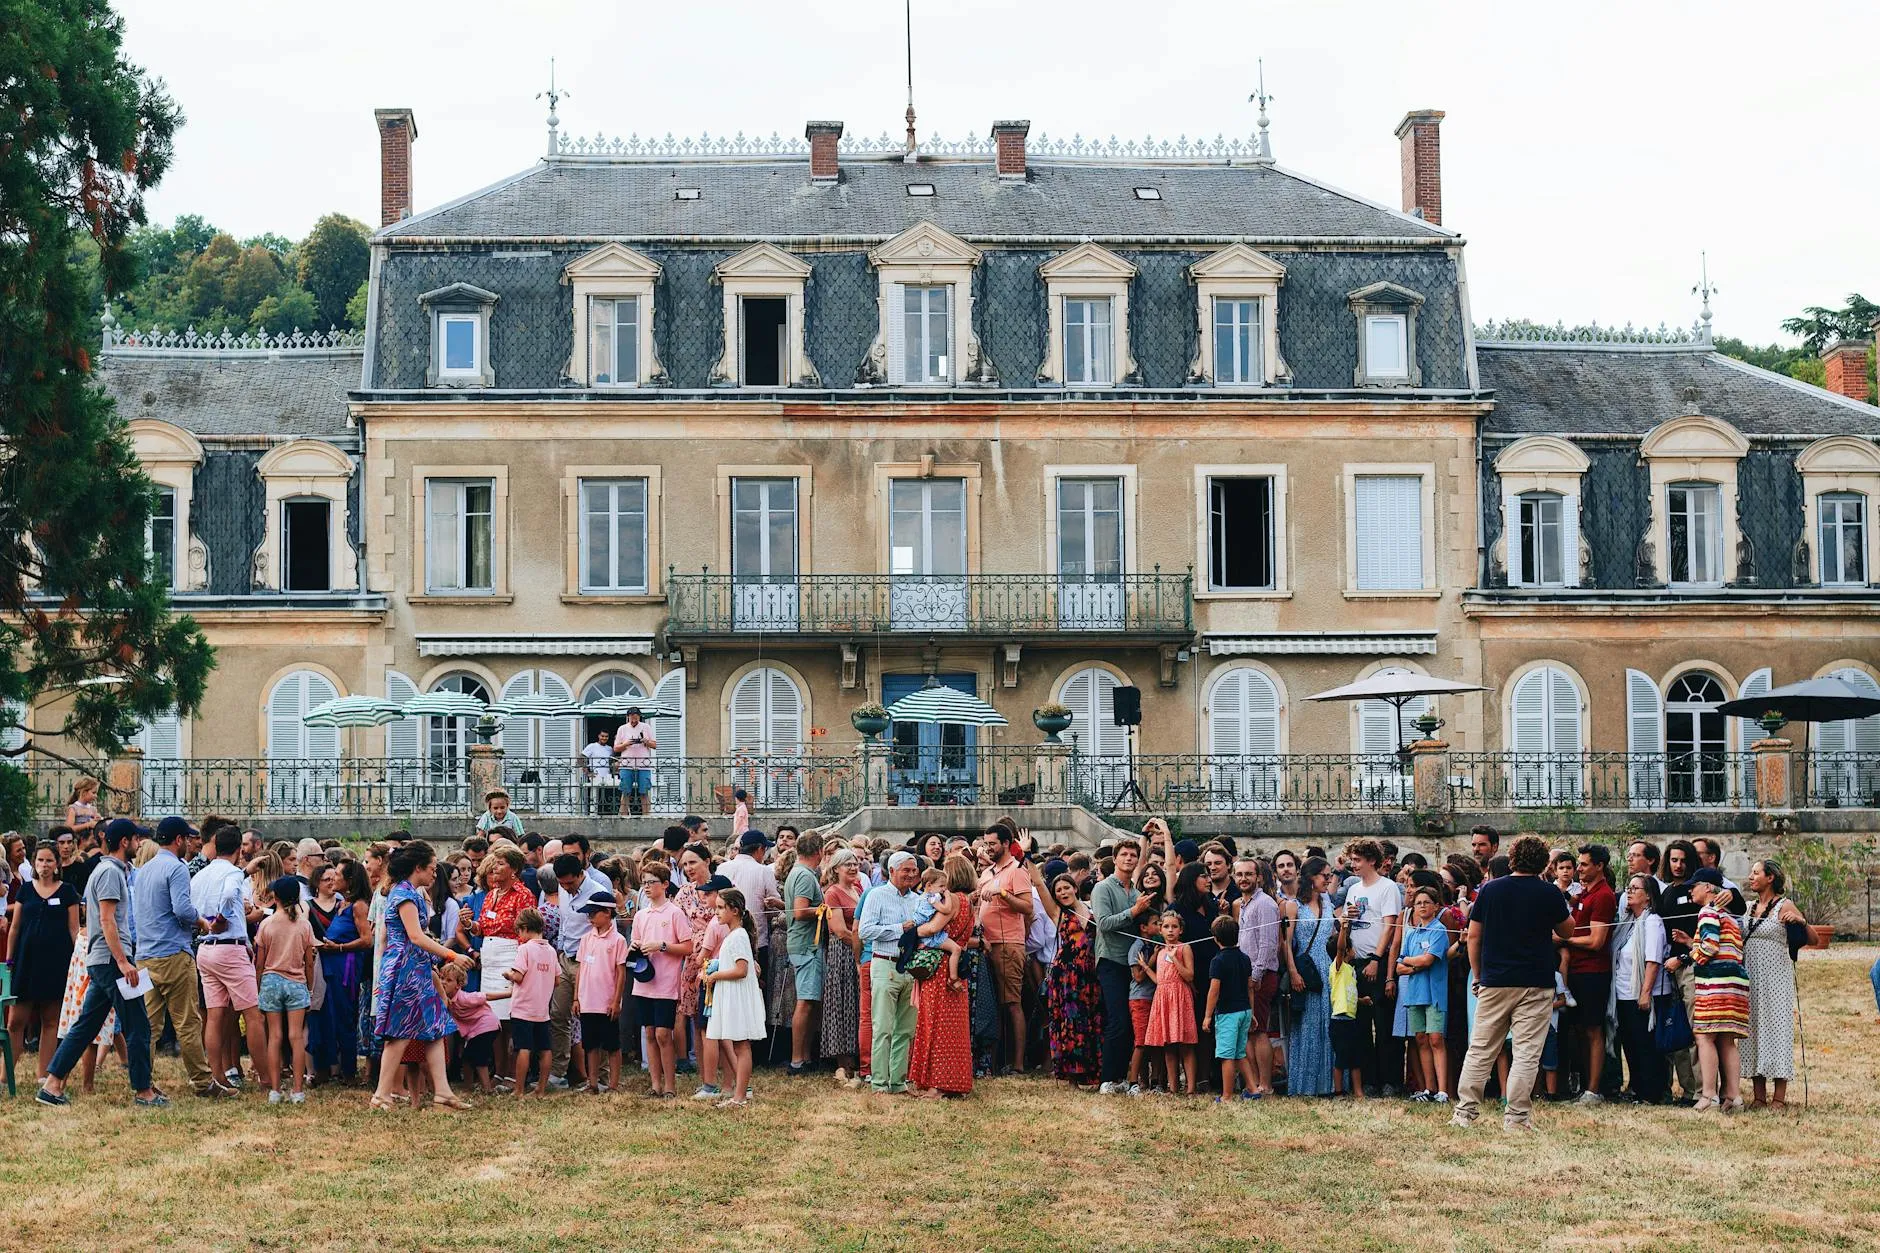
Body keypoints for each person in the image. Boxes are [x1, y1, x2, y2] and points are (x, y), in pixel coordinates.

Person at [1450, 834, 1575, 1132]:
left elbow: (1474, 936)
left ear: (1513, 859)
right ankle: (1517, 1118)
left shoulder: (1491, 890)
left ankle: (1464, 1112)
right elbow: (1567, 931)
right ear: (1544, 863)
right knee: (1527, 1052)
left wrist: (1478, 975)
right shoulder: (1549, 892)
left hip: (1495, 980)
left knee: (1481, 1048)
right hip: (1536, 981)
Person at [38, 819, 162, 1107]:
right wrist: (123, 962)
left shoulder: (109, 870)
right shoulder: (110, 873)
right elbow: (107, 920)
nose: (139, 844)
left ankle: (52, 1085)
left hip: (104, 960)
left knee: (86, 1026)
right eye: (136, 839)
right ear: (124, 842)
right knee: (138, 1025)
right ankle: (144, 1092)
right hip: (111, 961)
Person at [370, 842, 476, 1112]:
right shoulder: (404, 894)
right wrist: (451, 955)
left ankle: (443, 1092)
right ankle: (381, 1095)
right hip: (405, 970)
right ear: (417, 868)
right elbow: (415, 936)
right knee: (400, 1033)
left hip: (416, 968)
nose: (435, 874)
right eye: (432, 868)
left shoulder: (411, 893)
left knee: (435, 1028)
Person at [130, 814, 213, 1098]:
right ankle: (202, 1082)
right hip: (174, 954)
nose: (190, 843)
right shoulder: (177, 868)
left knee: (149, 1026)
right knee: (187, 1022)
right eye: (188, 839)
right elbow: (182, 909)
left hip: (145, 956)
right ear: (179, 840)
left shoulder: (143, 870)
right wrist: (201, 921)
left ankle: (143, 1081)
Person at [1673, 867, 1748, 1113]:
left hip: (1714, 983)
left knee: (1704, 1036)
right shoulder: (1728, 916)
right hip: (1734, 984)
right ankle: (1734, 1097)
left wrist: (1687, 957)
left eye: (1694, 886)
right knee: (1727, 1040)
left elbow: (1710, 947)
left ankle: (1708, 1096)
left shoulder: (1707, 911)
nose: (1690, 891)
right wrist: (1692, 943)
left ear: (1707, 887)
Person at [6, 842, 78, 1082]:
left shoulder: (67, 892)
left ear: (56, 864)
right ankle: (5, 1076)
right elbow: (15, 928)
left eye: (48, 860)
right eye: (40, 860)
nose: (44, 865)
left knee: (50, 1020)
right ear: (34, 863)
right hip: (26, 962)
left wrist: (78, 961)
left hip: (56, 963)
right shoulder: (26, 890)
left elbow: (73, 929)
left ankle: (44, 1075)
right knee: (15, 1022)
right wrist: (9, 959)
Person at [908, 854, 979, 1098]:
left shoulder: (952, 899)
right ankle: (955, 1082)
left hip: (939, 967)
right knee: (955, 1029)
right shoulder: (969, 902)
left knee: (935, 1024)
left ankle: (936, 1085)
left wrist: (910, 931)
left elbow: (932, 928)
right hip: (956, 967)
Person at [1739, 859, 1804, 1110]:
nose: (1751, 876)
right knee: (1752, 1029)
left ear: (1770, 878)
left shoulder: (1784, 905)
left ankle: (1778, 1097)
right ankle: (1758, 1096)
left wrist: (1799, 921)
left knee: (1776, 1030)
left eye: (1756, 872)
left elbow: (1812, 938)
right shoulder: (1747, 907)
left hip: (1776, 977)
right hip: (1751, 976)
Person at [1340, 839, 1401, 1095]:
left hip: (1378, 960)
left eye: (1357, 860)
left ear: (1371, 860)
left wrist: (1376, 959)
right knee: (1362, 1025)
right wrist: (1346, 920)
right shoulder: (1354, 889)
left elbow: (1390, 926)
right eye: (1352, 860)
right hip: (1356, 962)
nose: (1353, 864)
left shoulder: (1388, 887)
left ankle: (1390, 1080)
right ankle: (1368, 1079)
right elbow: (1346, 922)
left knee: (1384, 1024)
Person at [858, 851, 922, 1094]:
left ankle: (897, 1081)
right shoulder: (877, 895)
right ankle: (879, 1083)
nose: (911, 874)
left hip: (910, 967)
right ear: (892, 871)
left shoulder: (917, 900)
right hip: (885, 964)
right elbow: (865, 931)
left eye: (914, 870)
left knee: (905, 1029)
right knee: (882, 1027)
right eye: (906, 870)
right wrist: (899, 929)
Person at [549, 850, 613, 1086]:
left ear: (580, 874)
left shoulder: (597, 891)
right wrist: (560, 949)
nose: (566, 888)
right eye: (561, 884)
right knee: (558, 1014)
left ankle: (601, 1076)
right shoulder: (563, 891)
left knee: (593, 1018)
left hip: (590, 962)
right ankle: (558, 1072)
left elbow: (608, 929)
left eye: (569, 883)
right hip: (566, 958)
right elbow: (564, 922)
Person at [629, 862, 693, 1098]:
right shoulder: (641, 915)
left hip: (666, 982)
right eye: (644, 883)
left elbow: (687, 947)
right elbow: (635, 942)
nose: (646, 887)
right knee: (649, 1032)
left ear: (665, 884)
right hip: (644, 981)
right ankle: (655, 1084)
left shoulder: (674, 913)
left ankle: (670, 1085)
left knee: (663, 1034)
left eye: (651, 882)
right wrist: (635, 947)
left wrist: (662, 946)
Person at [1561, 843, 1616, 1103]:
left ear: (1599, 866)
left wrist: (1564, 939)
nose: (1579, 869)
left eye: (1584, 864)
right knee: (1581, 1029)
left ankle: (1594, 1089)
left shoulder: (1603, 896)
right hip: (1577, 969)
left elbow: (1596, 940)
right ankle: (1585, 1086)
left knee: (1593, 1029)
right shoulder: (1584, 893)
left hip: (1593, 972)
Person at [975, 826, 1034, 1074]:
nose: (988, 848)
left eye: (992, 844)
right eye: (986, 844)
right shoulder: (986, 872)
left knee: (1011, 1002)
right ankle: (993, 1062)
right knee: (992, 1004)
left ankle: (1018, 1063)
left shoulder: (1017, 870)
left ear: (1006, 843)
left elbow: (1028, 907)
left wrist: (1002, 893)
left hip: (1007, 943)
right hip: (985, 943)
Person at [253, 875, 316, 1103]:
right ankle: (297, 1090)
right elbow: (309, 962)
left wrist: (258, 986)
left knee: (275, 1036)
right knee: (296, 1036)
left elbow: (259, 963)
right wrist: (309, 988)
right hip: (296, 981)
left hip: (271, 980)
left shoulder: (267, 924)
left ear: (275, 897)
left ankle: (275, 1090)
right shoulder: (304, 925)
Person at [1091, 837, 1146, 1094]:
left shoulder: (1136, 893)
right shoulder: (1102, 888)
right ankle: (1108, 1078)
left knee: (1130, 1022)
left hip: (1133, 963)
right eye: (1124, 854)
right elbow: (1103, 923)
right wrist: (1134, 912)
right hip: (1111, 960)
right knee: (1118, 1019)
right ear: (1115, 859)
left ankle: (1123, 1077)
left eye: (1133, 855)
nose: (1128, 859)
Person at [703, 888, 765, 1108]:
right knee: (739, 1045)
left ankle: (740, 1096)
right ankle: (739, 1094)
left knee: (741, 1046)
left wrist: (715, 975)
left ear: (735, 910)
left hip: (737, 996)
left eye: (721, 908)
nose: (716, 912)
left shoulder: (738, 936)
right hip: (732, 994)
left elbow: (741, 970)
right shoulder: (734, 935)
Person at [1612, 874, 1670, 1105]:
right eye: (1628, 887)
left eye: (1635, 888)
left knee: (1645, 1046)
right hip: (1624, 992)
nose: (1629, 891)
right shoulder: (1629, 923)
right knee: (1631, 1044)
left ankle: (1651, 1093)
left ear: (1648, 896)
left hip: (1643, 994)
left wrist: (1645, 993)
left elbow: (1653, 960)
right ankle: (1637, 1089)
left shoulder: (1652, 921)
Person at [1282, 856, 1336, 1097]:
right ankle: (1305, 1084)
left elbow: (1332, 935)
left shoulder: (1328, 902)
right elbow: (1286, 942)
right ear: (1311, 877)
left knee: (1329, 1024)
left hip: (1328, 967)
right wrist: (1293, 972)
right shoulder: (1293, 906)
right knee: (1307, 1025)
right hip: (1306, 968)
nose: (1329, 880)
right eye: (1325, 875)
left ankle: (1329, 1083)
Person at [313, 861, 370, 1086]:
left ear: (350, 880)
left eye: (337, 874)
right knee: (326, 1015)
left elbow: (366, 940)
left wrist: (339, 947)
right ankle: (325, 1068)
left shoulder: (358, 906)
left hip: (345, 966)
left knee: (344, 1016)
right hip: (329, 963)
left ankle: (348, 1071)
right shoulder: (340, 904)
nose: (333, 878)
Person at [1040, 871, 1099, 1088]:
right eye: (1058, 890)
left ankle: (1091, 1074)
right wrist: (1025, 857)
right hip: (1066, 975)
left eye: (1066, 887)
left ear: (1075, 888)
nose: (1063, 892)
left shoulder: (1091, 908)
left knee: (1090, 1019)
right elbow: (1039, 884)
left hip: (1089, 973)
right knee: (1069, 1022)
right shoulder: (1058, 913)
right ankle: (1072, 1077)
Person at [1396, 885, 1450, 1104]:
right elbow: (1399, 968)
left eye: (1427, 902)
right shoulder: (1411, 933)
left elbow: (1428, 960)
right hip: (1414, 994)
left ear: (1436, 906)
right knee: (1420, 1039)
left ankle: (1443, 1091)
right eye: (1418, 903)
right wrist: (1414, 964)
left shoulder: (1439, 930)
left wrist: (1409, 961)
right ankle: (1429, 1088)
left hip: (1434, 993)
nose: (1422, 906)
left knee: (1436, 1039)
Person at [574, 889, 629, 1095]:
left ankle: (613, 1085)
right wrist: (576, 998)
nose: (589, 918)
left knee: (612, 1045)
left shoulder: (618, 940)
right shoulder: (586, 939)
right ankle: (593, 1083)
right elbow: (580, 969)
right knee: (590, 1045)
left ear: (607, 913)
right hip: (587, 1001)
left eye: (593, 913)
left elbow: (621, 973)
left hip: (606, 1002)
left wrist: (616, 1001)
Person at [1234, 857, 1280, 1096]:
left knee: (1259, 1029)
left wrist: (1257, 974)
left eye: (1248, 874)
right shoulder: (1244, 904)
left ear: (1259, 877)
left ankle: (1266, 1085)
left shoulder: (1265, 904)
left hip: (1261, 975)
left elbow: (1268, 943)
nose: (1243, 879)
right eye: (1239, 874)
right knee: (1249, 1030)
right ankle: (1253, 1085)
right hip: (1247, 975)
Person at [818, 849, 864, 1080]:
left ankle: (858, 1056)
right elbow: (838, 930)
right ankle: (842, 1061)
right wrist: (862, 945)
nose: (853, 867)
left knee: (857, 1004)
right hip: (843, 953)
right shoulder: (832, 893)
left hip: (859, 949)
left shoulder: (859, 890)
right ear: (836, 868)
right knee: (842, 1002)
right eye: (847, 864)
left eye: (855, 863)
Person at [782, 831, 825, 1075]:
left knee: (810, 1000)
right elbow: (800, 912)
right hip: (806, 945)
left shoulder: (797, 872)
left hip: (803, 943)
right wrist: (823, 909)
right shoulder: (805, 875)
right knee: (805, 1002)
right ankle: (797, 1060)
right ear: (819, 851)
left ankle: (806, 1056)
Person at [503, 909, 557, 1097]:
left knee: (523, 1048)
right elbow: (557, 979)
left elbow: (518, 976)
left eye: (519, 931)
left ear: (525, 928)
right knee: (545, 1049)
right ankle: (541, 1089)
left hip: (523, 1008)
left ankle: (518, 1089)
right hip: (542, 1009)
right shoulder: (551, 951)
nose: (519, 935)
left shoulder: (524, 949)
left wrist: (508, 974)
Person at [1203, 913, 1256, 1101]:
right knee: (1240, 1053)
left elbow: (1214, 991)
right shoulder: (1245, 958)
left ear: (1215, 939)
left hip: (1228, 1014)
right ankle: (1253, 1089)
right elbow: (1250, 987)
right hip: (1244, 1011)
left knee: (1227, 1055)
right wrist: (1252, 1012)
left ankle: (1226, 1095)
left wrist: (1207, 1016)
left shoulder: (1217, 961)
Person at [1145, 909, 1198, 1096]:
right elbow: (1160, 980)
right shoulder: (1160, 952)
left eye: (1174, 927)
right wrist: (1146, 967)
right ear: (1160, 930)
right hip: (1163, 998)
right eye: (1166, 926)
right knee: (1168, 1044)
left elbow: (1189, 975)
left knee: (1185, 1044)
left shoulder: (1185, 948)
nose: (1170, 930)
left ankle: (1191, 1088)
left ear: (1180, 930)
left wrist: (1175, 957)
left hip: (1180, 997)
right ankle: (1173, 1087)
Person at [438, 958, 504, 1094]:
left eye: (449, 980)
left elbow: (486, 996)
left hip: (486, 1026)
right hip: (475, 1030)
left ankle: (487, 1089)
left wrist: (511, 993)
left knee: (479, 1058)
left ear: (458, 985)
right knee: (467, 1058)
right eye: (442, 978)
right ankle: (468, 1086)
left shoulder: (464, 998)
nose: (443, 982)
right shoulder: (447, 999)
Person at [1328, 915, 1366, 1100]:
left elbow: (1348, 993)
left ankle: (1358, 1092)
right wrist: (1343, 929)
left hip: (1351, 1020)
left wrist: (1361, 1000)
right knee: (1341, 1059)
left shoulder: (1350, 970)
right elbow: (1340, 948)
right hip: (1339, 1022)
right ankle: (1338, 1092)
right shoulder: (1338, 967)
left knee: (1355, 1058)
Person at [613, 709, 656, 817]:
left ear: (639, 717)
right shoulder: (622, 728)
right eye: (632, 717)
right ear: (628, 717)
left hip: (643, 765)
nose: (634, 720)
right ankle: (623, 816)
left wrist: (646, 741)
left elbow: (655, 745)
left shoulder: (646, 727)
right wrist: (626, 744)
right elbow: (616, 748)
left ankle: (646, 817)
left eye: (636, 717)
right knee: (625, 792)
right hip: (626, 765)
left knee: (644, 792)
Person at [581, 728, 618, 816]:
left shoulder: (609, 749)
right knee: (594, 798)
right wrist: (587, 772)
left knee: (607, 797)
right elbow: (580, 758)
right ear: (598, 736)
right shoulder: (592, 746)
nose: (604, 738)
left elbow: (612, 761)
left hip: (607, 777)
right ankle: (593, 815)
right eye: (602, 736)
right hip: (595, 776)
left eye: (606, 736)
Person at [64, 778, 102, 848]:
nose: (96, 796)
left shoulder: (93, 809)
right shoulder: (73, 808)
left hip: (91, 843)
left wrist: (98, 821)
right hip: (77, 843)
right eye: (93, 793)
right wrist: (88, 825)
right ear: (84, 792)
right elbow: (69, 828)